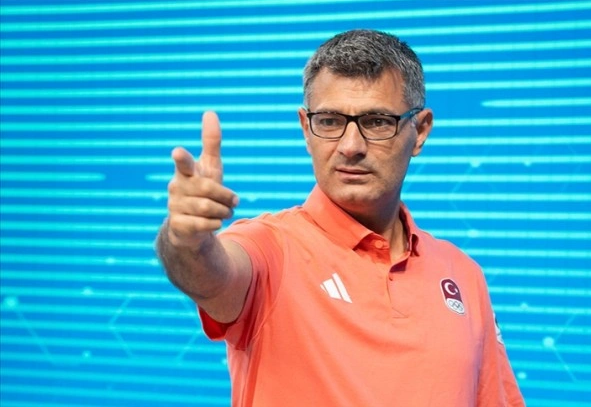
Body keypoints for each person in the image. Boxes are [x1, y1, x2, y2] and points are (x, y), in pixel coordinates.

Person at [155, 29, 524, 406]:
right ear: (306, 129)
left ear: (420, 131)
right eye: (330, 121)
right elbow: (210, 275)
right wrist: (186, 240)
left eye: (377, 121)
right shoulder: (271, 248)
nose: (351, 146)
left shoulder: (464, 275)